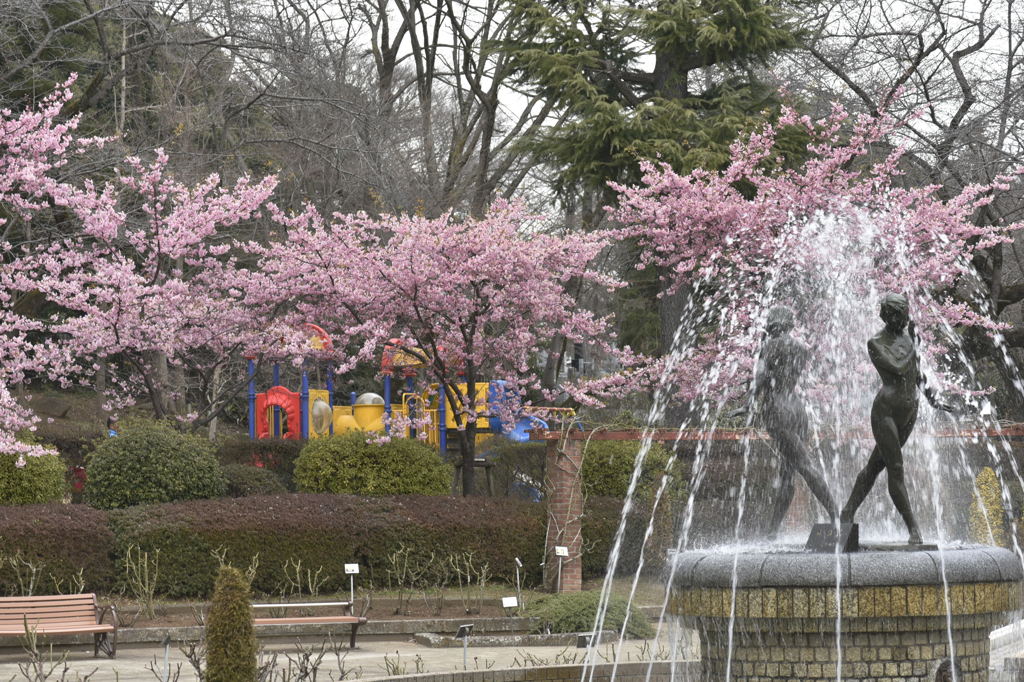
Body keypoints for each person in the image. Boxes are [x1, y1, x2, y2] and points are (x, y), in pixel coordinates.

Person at [840, 293, 953, 544]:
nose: (906, 319)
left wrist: (934, 400)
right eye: (901, 315)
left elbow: (916, 374)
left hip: (909, 412)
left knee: (875, 466)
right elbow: (899, 367)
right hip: (886, 413)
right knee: (896, 467)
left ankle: (847, 510)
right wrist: (914, 344)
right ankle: (913, 528)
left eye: (906, 313)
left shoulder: (907, 338)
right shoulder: (876, 342)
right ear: (888, 315)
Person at [735, 305, 838, 539]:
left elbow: (760, 376)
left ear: (772, 324)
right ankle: (772, 531)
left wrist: (748, 404)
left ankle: (837, 516)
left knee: (803, 465)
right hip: (798, 409)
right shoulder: (800, 348)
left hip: (778, 409)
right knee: (787, 473)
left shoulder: (770, 345)